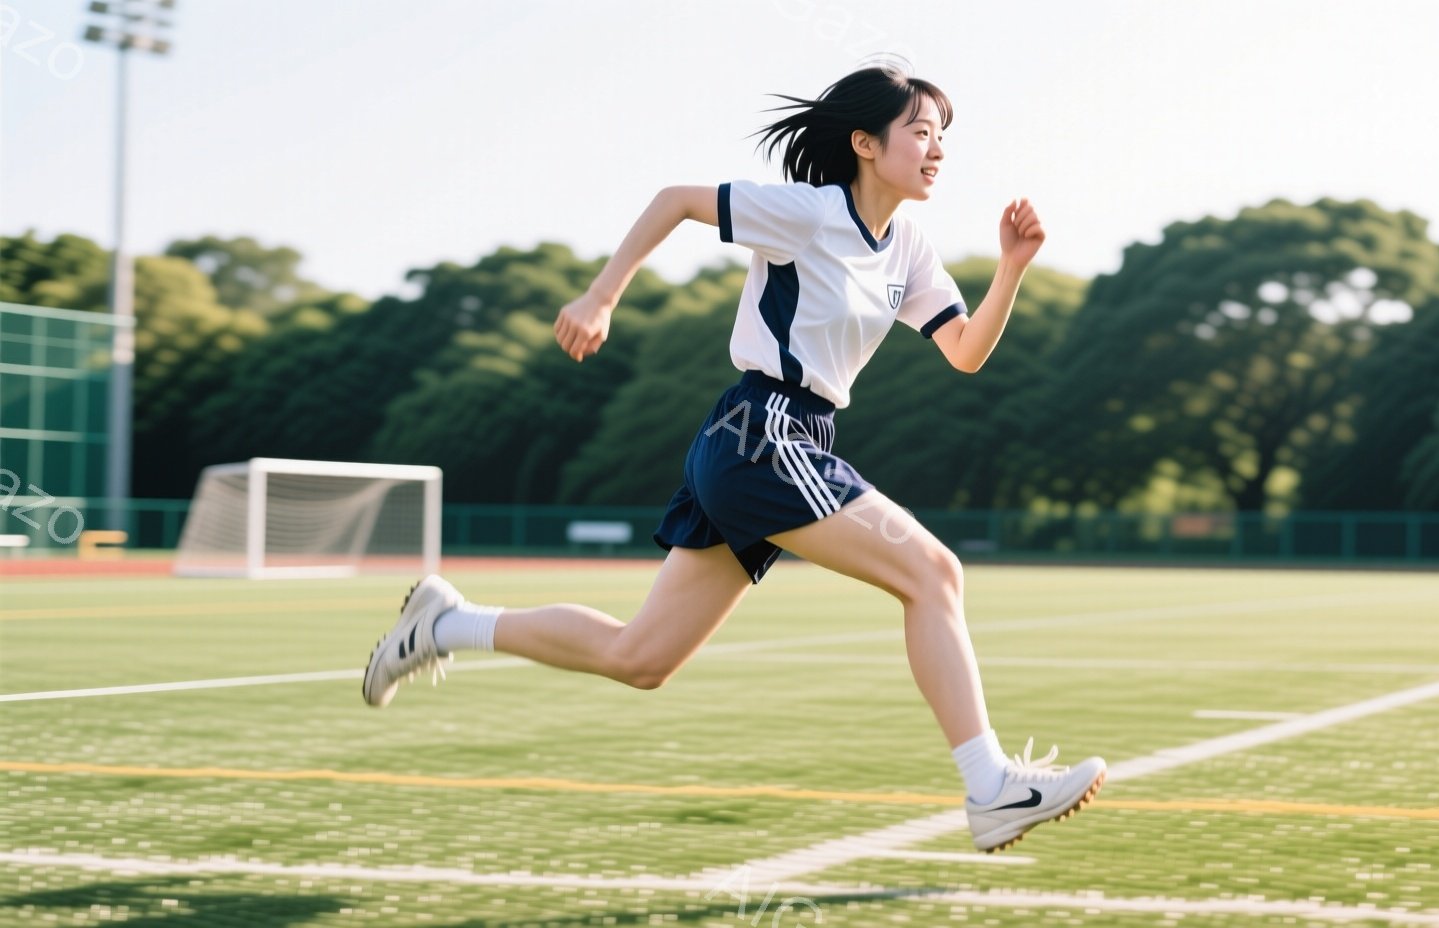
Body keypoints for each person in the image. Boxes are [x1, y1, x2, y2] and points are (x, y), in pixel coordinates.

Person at [362, 64, 1106, 853]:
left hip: (791, 439)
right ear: (864, 143)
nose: (937, 150)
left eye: (942, 136)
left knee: (641, 658)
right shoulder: (813, 212)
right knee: (934, 573)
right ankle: (989, 785)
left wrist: (1012, 268)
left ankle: (446, 624)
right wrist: (601, 296)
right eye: (920, 131)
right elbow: (676, 201)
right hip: (762, 430)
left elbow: (963, 351)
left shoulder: (910, 248)